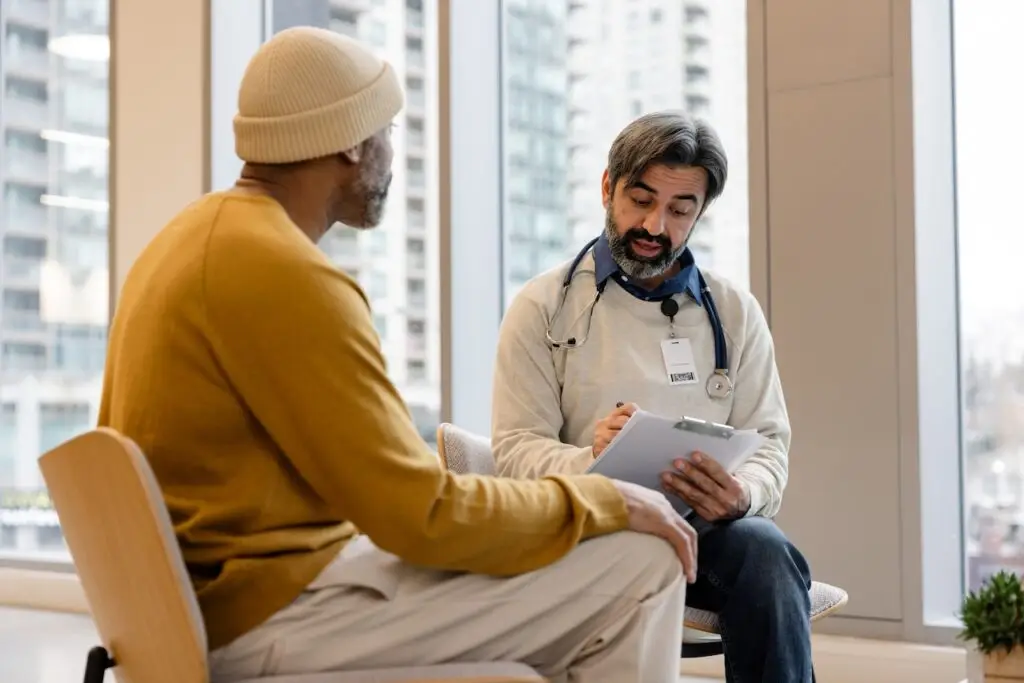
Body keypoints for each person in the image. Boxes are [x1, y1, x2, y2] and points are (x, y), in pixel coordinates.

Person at [97, 27, 699, 683]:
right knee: (641, 559)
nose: (392, 154)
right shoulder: (285, 274)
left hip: (214, 600)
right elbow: (423, 515)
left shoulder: (185, 241)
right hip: (269, 616)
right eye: (386, 131)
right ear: (352, 140)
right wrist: (604, 499)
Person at [492, 111, 814, 682]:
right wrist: (590, 458)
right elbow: (516, 449)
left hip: (703, 532)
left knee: (765, 551)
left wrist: (741, 494)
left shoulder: (734, 313)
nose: (655, 225)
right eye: (640, 200)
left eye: (679, 210)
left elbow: (770, 444)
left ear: (699, 213)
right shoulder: (542, 306)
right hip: (589, 523)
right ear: (606, 187)